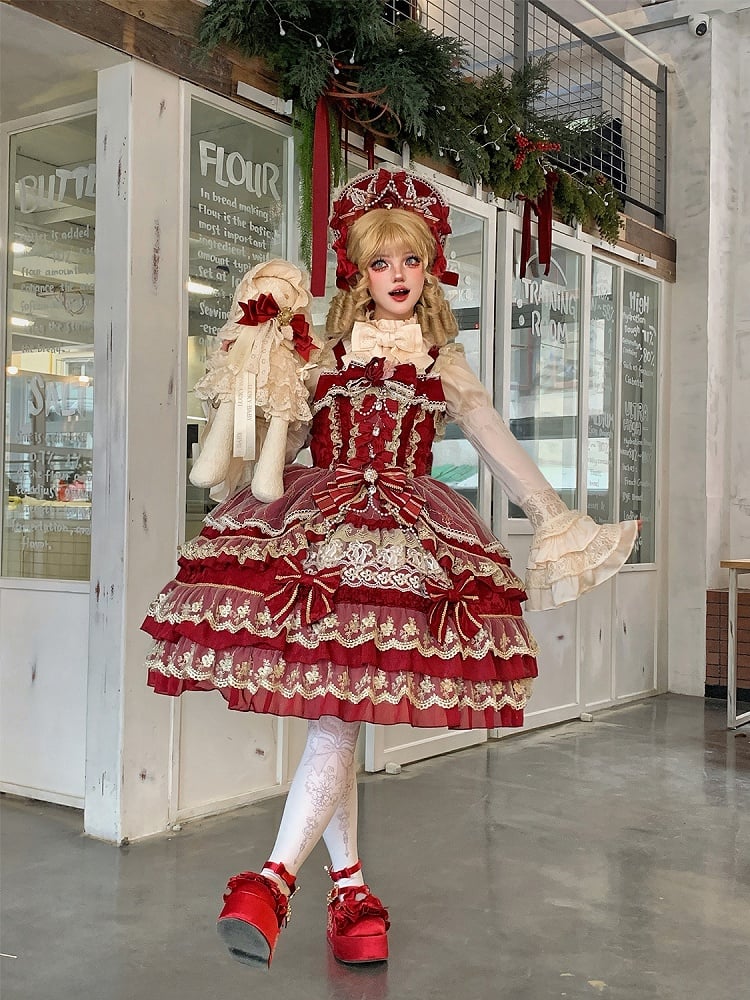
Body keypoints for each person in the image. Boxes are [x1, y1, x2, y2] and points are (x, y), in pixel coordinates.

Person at [142, 168, 638, 970]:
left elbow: (493, 442)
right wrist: (246, 469)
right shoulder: (325, 350)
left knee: (337, 714)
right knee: (337, 714)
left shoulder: (442, 357)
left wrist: (555, 517)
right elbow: (287, 442)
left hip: (406, 539)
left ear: (431, 266)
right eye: (381, 262)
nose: (398, 276)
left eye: (411, 260)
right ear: (358, 271)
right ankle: (348, 897)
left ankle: (277, 883)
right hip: (321, 530)